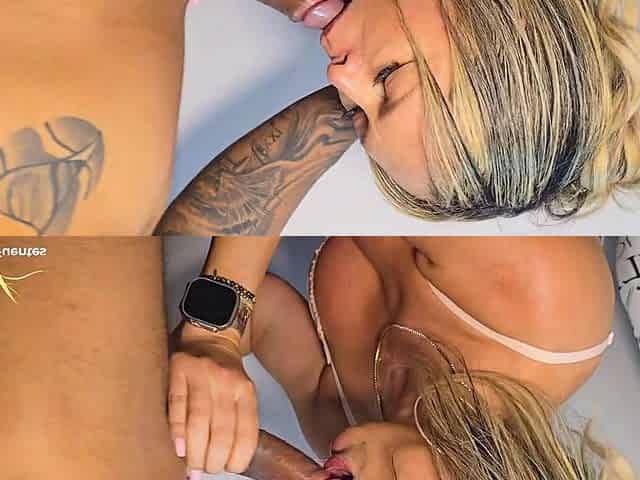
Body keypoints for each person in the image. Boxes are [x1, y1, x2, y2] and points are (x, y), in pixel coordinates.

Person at [170, 237, 635, 480]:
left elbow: (262, 319)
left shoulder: (357, 441)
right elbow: (334, 146)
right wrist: (215, 332)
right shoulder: (549, 305)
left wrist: (241, 446)